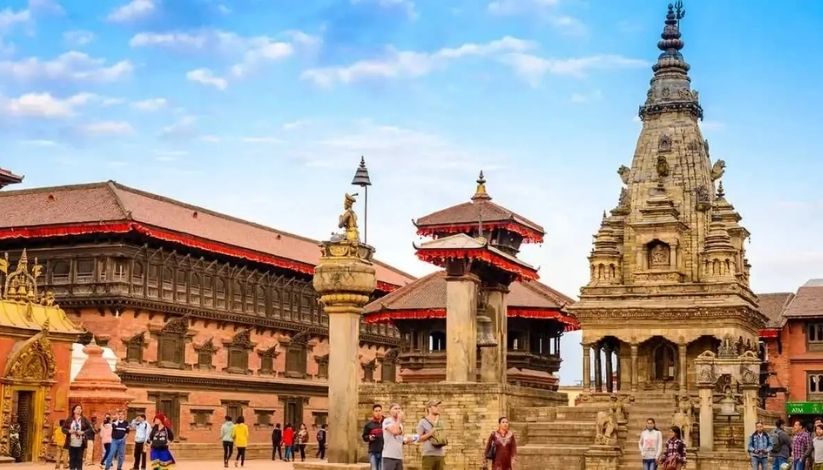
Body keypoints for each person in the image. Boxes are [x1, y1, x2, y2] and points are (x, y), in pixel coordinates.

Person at [382, 403, 415, 470]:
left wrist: (408, 440)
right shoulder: (387, 421)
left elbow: (400, 440)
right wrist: (399, 419)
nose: (398, 410)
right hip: (389, 456)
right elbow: (394, 431)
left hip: (399, 456)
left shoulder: (400, 424)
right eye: (395, 408)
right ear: (390, 411)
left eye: (399, 409)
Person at [62, 404, 94, 470]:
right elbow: (63, 429)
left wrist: (83, 432)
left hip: (81, 443)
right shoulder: (69, 419)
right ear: (74, 410)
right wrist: (69, 431)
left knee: (79, 459)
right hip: (71, 443)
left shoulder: (84, 419)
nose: (79, 410)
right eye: (77, 408)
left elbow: (90, 429)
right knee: (72, 459)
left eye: (80, 408)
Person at [417, 399, 446, 470]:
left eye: (438, 406)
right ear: (429, 408)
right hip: (428, 455)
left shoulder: (440, 422)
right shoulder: (422, 421)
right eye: (435, 406)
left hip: (440, 455)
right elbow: (419, 439)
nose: (438, 408)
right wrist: (430, 434)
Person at [363, 404, 385, 470]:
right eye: (376, 411)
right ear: (373, 412)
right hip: (373, 451)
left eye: (379, 411)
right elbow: (364, 437)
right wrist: (369, 437)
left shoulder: (386, 423)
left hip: (384, 451)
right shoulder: (369, 424)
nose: (378, 413)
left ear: (382, 411)